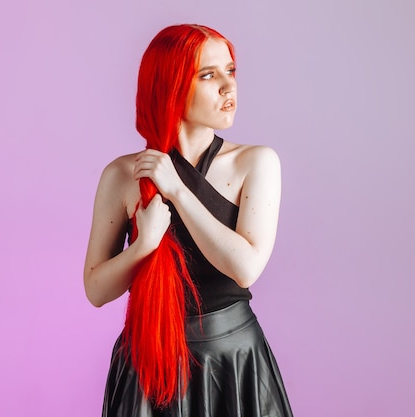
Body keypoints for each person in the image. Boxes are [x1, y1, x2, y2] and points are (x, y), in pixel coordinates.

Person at [83, 24, 293, 417]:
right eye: (209, 75)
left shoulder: (256, 162)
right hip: (149, 365)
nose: (229, 87)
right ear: (172, 85)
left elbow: (245, 268)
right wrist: (143, 247)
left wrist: (177, 189)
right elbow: (96, 290)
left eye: (231, 71)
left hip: (234, 360)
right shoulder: (122, 175)